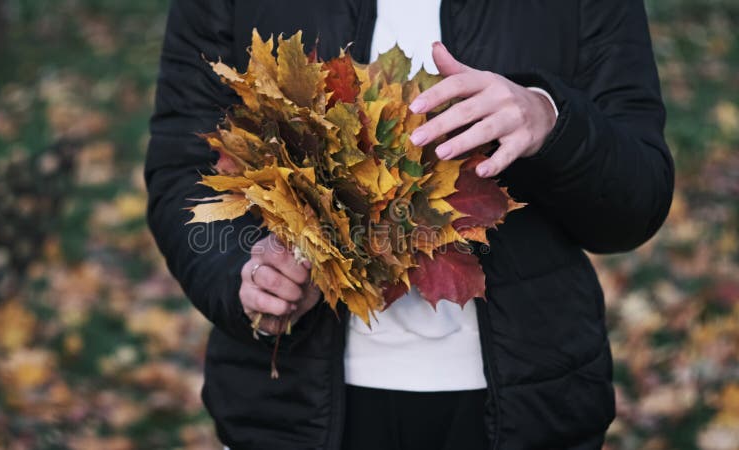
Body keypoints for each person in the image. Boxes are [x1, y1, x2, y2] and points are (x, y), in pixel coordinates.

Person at [145, 0, 674, 449]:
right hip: (289, 412)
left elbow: (636, 203)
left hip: (528, 403)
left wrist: (550, 120)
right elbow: (185, 168)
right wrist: (245, 277)